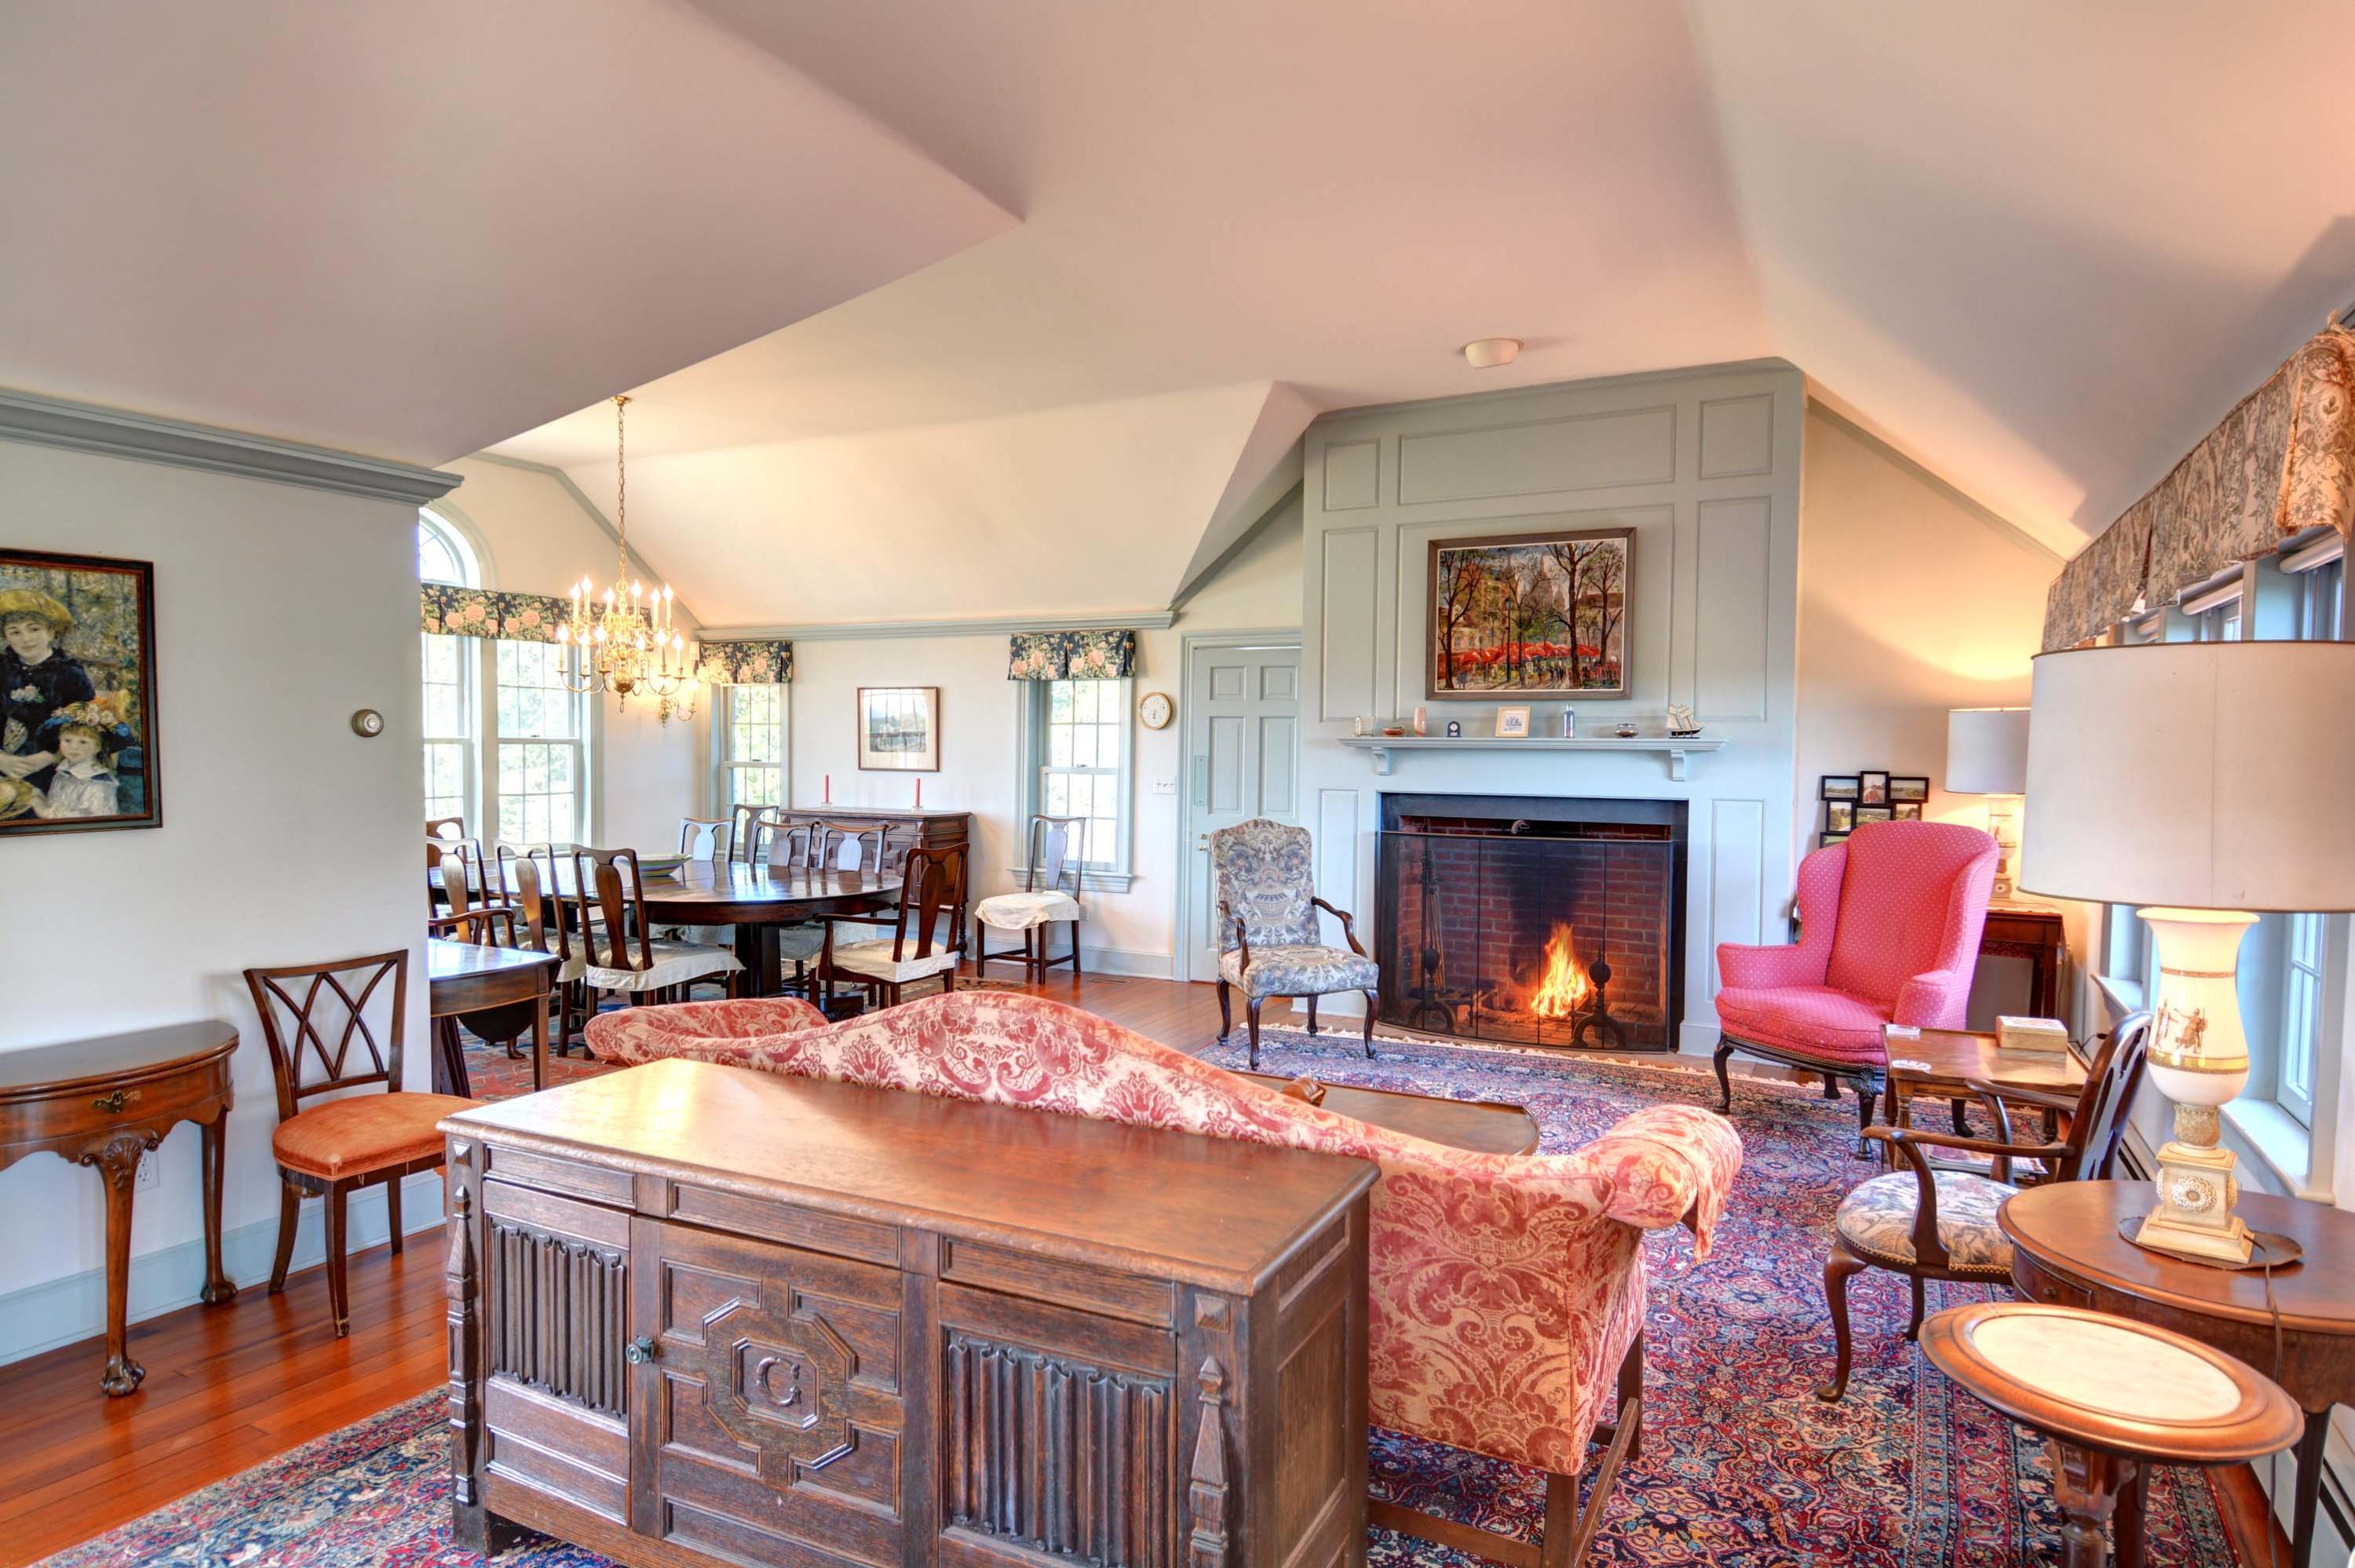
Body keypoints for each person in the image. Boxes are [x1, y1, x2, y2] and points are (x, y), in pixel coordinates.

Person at [0, 588, 94, 795]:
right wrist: (2, 760)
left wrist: (50, 756)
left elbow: (85, 725)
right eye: (15, 632)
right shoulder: (3, 667)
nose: (26, 639)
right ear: (6, 637)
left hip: (54, 762)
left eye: (34, 629)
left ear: (50, 632)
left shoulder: (69, 672)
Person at [31, 719, 118, 819]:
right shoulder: (64, 771)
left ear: (97, 747)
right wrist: (39, 797)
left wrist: (43, 811)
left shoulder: (98, 783)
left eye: (83, 742)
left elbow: (89, 820)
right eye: (68, 740)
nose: (73, 747)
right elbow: (57, 805)